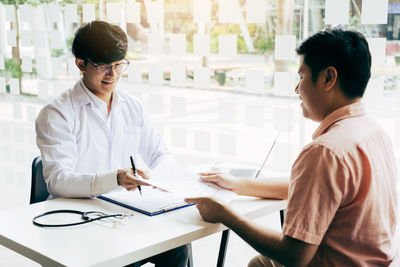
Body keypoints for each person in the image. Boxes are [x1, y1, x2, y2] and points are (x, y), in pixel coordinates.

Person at [186, 28, 399, 266]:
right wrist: (235, 184)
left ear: (329, 78)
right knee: (261, 263)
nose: (297, 89)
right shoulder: (374, 132)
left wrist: (224, 214)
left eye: (302, 76)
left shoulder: (325, 151)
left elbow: (294, 255)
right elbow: (313, 189)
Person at [35, 21, 188, 267]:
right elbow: (58, 181)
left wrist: (166, 180)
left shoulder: (131, 106)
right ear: (80, 63)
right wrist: (115, 178)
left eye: (118, 65)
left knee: (178, 246)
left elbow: (160, 153)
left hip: (126, 215)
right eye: (103, 66)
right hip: (80, 220)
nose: (113, 74)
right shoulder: (58, 113)